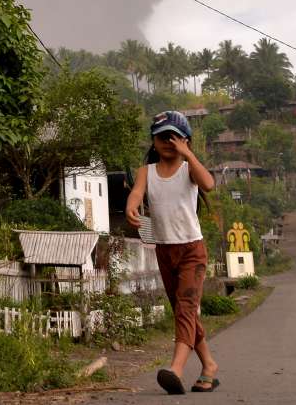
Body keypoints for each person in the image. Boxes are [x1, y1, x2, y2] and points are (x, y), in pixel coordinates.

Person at [126, 111, 219, 395]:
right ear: (153, 141)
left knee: (186, 309)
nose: (168, 142)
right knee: (184, 311)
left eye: (174, 137)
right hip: (165, 250)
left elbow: (209, 184)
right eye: (162, 137)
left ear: (185, 140)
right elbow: (137, 192)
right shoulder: (146, 172)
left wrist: (188, 154)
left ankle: (175, 369)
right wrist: (132, 205)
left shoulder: (189, 169)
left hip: (192, 250)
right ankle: (209, 366)